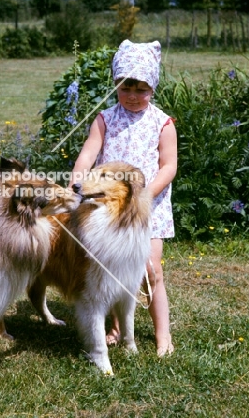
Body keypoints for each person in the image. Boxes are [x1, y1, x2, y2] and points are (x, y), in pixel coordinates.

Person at [70, 39, 176, 356]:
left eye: (140, 89)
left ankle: (163, 336)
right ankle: (117, 326)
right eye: (125, 88)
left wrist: (145, 196)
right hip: (109, 208)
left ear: (152, 88)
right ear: (116, 85)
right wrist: (78, 178)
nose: (132, 96)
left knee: (150, 269)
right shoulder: (104, 119)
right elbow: (87, 155)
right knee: (113, 268)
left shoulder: (162, 123)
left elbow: (169, 166)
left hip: (148, 208)